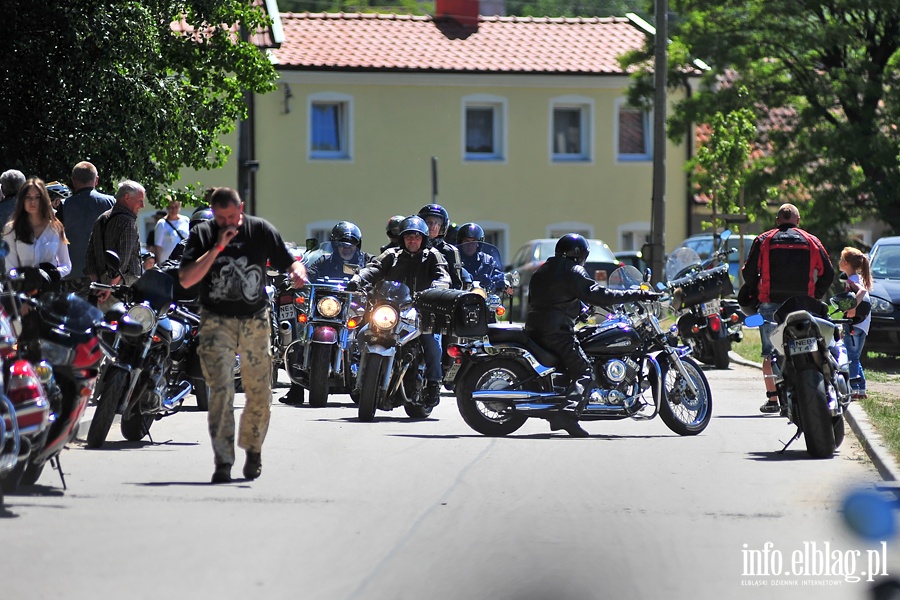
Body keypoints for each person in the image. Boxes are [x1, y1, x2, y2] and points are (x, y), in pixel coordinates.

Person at [180, 187, 308, 484]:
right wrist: (216, 249)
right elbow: (187, 279)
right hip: (216, 320)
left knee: (260, 391)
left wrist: (297, 271)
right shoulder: (203, 233)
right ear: (213, 213)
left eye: (232, 216)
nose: (227, 222)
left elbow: (289, 260)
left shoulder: (260, 230)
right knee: (221, 392)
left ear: (242, 208)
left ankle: (253, 450)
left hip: (254, 319)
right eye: (221, 217)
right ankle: (223, 461)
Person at [526, 233, 659, 437]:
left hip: (536, 329)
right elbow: (600, 294)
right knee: (584, 371)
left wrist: (581, 309)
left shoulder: (543, 270)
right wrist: (637, 293)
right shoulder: (573, 271)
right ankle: (567, 414)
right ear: (579, 255)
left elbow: (551, 298)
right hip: (557, 333)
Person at [740, 203, 835, 413]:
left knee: (770, 353)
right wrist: (815, 296)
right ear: (797, 221)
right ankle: (806, 392)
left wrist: (757, 288)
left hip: (769, 307)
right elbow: (828, 273)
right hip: (803, 305)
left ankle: (774, 399)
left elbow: (747, 273)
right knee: (807, 344)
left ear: (777, 220)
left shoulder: (764, 240)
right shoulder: (812, 241)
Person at [347, 215, 450, 408]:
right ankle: (358, 378)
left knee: (431, 342)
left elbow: (442, 274)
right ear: (402, 238)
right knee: (361, 334)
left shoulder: (433, 256)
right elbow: (374, 268)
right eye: (408, 236)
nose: (412, 240)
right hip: (391, 308)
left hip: (420, 310)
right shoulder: (391, 255)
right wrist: (359, 279)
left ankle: (434, 384)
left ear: (423, 239)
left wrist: (438, 285)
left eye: (417, 237)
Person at [84, 180, 146, 310]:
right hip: (121, 288)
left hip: (101, 284)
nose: (142, 205)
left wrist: (97, 284)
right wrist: (109, 288)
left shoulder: (102, 218)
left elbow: (90, 254)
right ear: (127, 197)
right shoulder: (128, 222)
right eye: (140, 200)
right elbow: (122, 262)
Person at [2, 178, 72, 291]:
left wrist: (49, 274)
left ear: (44, 200)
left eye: (37, 197)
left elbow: (66, 265)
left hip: (50, 293)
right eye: (28, 197)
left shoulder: (56, 228)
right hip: (22, 293)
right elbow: (10, 268)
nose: (32, 201)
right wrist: (25, 279)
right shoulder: (11, 229)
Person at [57, 161, 115, 293]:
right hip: (103, 276)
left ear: (74, 181)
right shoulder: (111, 202)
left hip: (73, 275)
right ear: (97, 180)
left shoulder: (64, 205)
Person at [839, 246, 872, 400]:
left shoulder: (852, 280)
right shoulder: (859, 279)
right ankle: (862, 389)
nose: (839, 262)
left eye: (840, 259)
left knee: (851, 357)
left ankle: (853, 390)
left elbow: (862, 292)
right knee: (855, 356)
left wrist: (852, 306)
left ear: (845, 262)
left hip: (854, 324)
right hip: (863, 324)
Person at [306, 221, 372, 282]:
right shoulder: (325, 261)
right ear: (335, 245)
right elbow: (308, 274)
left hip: (359, 294)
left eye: (352, 244)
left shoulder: (368, 260)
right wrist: (302, 276)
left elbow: (379, 267)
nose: (347, 247)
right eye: (342, 244)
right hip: (329, 294)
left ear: (358, 245)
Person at [418, 204, 464, 289]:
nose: (433, 226)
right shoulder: (414, 247)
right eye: (429, 222)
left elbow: (457, 284)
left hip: (441, 298)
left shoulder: (450, 251)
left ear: (442, 227)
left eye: (437, 224)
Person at [456, 222, 509, 294]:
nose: (470, 245)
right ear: (460, 243)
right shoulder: (454, 258)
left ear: (478, 244)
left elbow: (498, 274)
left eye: (473, 241)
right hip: (460, 296)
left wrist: (503, 281)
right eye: (466, 241)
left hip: (485, 297)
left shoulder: (488, 260)